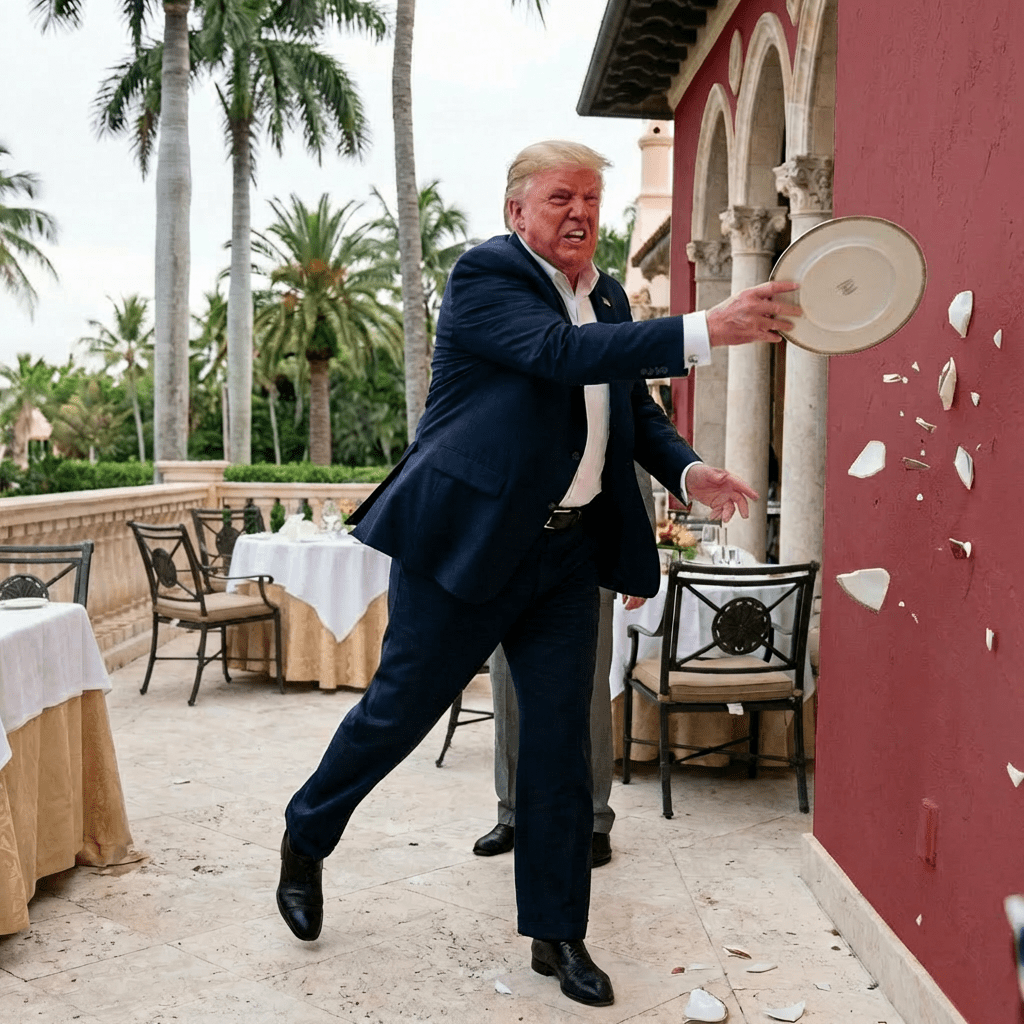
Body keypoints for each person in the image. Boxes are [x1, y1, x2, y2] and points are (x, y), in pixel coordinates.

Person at [276, 140, 798, 1009]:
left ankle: (556, 935)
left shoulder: (606, 293)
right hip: (468, 543)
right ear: (517, 210)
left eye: (593, 199)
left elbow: (627, 402)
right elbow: (560, 357)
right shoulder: (485, 277)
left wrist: (687, 471)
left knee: (559, 748)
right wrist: (711, 328)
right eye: (561, 197)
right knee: (397, 714)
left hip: (566, 555)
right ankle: (306, 832)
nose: (581, 214)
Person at [474, 467, 656, 868]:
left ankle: (593, 821)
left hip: (587, 559)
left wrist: (637, 560)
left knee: (589, 697)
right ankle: (513, 814)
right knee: (507, 692)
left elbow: (633, 463)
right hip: (510, 559)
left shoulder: (607, 399)